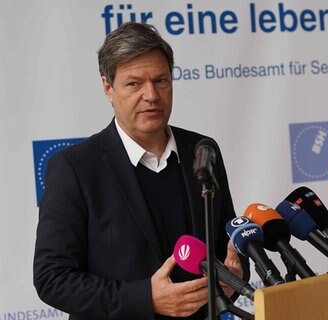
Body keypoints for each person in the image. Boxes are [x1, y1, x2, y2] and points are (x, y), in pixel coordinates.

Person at [33, 22, 248, 319]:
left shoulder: (202, 150)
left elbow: (226, 247)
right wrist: (145, 298)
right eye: (134, 83)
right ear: (108, 87)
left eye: (161, 80)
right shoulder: (74, 168)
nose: (152, 95)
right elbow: (52, 279)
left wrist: (232, 279)